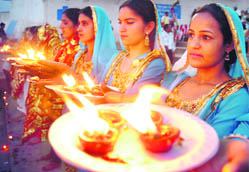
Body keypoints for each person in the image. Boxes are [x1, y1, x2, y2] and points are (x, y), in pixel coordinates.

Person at [160, 3, 249, 171]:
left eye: (206, 37)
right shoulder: (176, 81)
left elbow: (208, 151)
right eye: (191, 35)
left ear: (229, 44)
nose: (194, 44)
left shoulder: (235, 97)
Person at [101, 0, 171, 103]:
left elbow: (138, 103)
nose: (121, 28)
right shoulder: (118, 58)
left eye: (129, 22)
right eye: (120, 22)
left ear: (148, 27)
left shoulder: (155, 63)